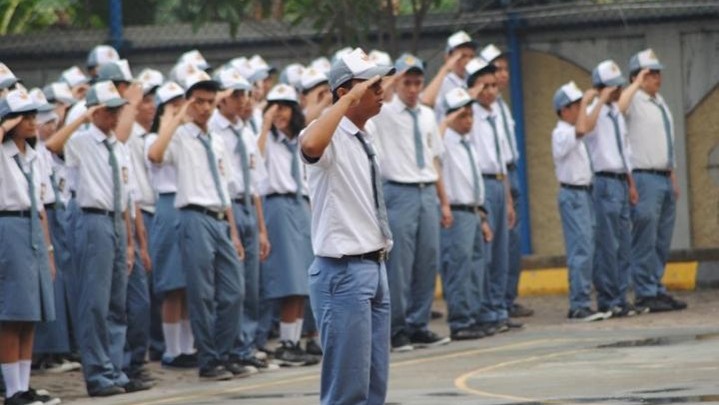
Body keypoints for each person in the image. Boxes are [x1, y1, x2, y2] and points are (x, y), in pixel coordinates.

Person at [300, 46, 394, 405]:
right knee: (346, 389)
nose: (380, 90)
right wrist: (342, 101)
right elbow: (309, 145)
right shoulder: (326, 134)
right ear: (345, 92)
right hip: (343, 273)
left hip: (373, 266)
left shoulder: (362, 136)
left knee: (373, 386)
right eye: (370, 85)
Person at [147, 68, 248, 381]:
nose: (205, 107)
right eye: (199, 101)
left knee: (234, 291)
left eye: (209, 101)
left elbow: (225, 187)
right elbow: (155, 154)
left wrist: (233, 231)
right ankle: (209, 359)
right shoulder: (179, 136)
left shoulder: (215, 139)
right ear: (188, 102)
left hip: (219, 218)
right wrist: (177, 117)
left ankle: (226, 351)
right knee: (201, 293)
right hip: (193, 216)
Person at [64, 81, 152, 396]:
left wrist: (130, 242)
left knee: (118, 302)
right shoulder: (81, 141)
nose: (115, 117)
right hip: (92, 221)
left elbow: (127, 199)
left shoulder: (120, 146)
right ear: (95, 111)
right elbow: (51, 147)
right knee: (95, 303)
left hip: (116, 223)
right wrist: (83, 116)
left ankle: (114, 367)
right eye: (109, 111)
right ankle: (98, 372)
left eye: (118, 110)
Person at [372, 53, 451, 351]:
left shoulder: (428, 115)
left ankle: (419, 323)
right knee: (400, 265)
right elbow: (384, 91)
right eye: (408, 82)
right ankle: (396, 328)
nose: (413, 88)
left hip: (426, 190)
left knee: (427, 260)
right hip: (400, 192)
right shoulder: (386, 113)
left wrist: (444, 202)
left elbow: (434, 159)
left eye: (418, 82)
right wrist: (393, 74)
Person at [208, 67, 276, 372]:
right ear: (221, 99)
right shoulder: (213, 127)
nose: (243, 101)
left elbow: (257, 183)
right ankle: (230, 346)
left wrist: (262, 229)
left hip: (249, 206)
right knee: (232, 286)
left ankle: (245, 344)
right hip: (229, 207)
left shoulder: (246, 131)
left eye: (246, 94)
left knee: (251, 284)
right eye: (235, 95)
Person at [0, 88, 61, 405]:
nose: (32, 121)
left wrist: (49, 251)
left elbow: (41, 206)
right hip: (8, 225)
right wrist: (5, 124)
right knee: (12, 313)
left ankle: (24, 385)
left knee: (30, 312)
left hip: (33, 229)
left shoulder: (35, 155)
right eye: (24, 116)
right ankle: (12, 391)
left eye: (33, 115)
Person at [618, 49, 687, 313]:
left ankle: (655, 286)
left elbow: (666, 141)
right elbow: (619, 107)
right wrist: (635, 83)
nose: (657, 77)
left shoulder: (659, 101)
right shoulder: (634, 99)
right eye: (651, 73)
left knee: (661, 238)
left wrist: (673, 175)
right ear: (638, 76)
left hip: (663, 176)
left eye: (658, 72)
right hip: (644, 176)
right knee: (644, 237)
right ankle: (645, 291)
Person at [256, 83, 318, 367]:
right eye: (274, 106)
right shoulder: (267, 139)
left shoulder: (298, 141)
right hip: (278, 205)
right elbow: (254, 162)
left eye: (284, 106)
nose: (279, 113)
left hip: (300, 205)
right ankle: (286, 341)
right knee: (288, 278)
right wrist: (265, 122)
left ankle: (295, 339)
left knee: (304, 278)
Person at [144, 81, 199, 369]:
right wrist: (171, 119)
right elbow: (156, 153)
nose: (181, 109)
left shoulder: (190, 137)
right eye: (173, 104)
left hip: (190, 204)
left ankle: (188, 346)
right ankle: (172, 349)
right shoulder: (153, 138)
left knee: (190, 283)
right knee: (172, 282)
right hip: (167, 204)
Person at [480, 43, 533, 319]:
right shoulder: (477, 108)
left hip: (508, 172)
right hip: (489, 178)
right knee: (493, 244)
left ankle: (505, 300)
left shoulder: (500, 104)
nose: (503, 74)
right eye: (496, 69)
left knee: (510, 244)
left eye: (504, 68)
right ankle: (492, 304)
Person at [466, 57, 519, 333]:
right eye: (482, 86)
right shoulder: (468, 115)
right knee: (485, 253)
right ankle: (485, 308)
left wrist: (509, 199)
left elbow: (502, 160)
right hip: (482, 184)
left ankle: (499, 308)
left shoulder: (496, 114)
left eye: (492, 85)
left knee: (501, 252)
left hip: (500, 182)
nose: (489, 91)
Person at [552, 81, 612, 322]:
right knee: (581, 250)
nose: (580, 110)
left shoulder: (576, 129)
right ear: (563, 110)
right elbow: (581, 130)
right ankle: (579, 303)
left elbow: (586, 126)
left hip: (585, 193)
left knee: (590, 248)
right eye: (576, 106)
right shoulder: (561, 133)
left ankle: (585, 300)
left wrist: (594, 103)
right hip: (573, 194)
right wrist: (589, 101)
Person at [437, 87, 493, 340]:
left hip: (472, 211)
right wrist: (446, 122)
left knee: (475, 269)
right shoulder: (445, 141)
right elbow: (431, 146)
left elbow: (474, 183)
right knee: (459, 268)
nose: (468, 120)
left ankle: (472, 315)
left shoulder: (468, 143)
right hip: (457, 213)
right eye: (462, 115)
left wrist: (482, 216)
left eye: (470, 114)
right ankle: (460, 321)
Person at [583, 60, 637, 318]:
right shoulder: (596, 111)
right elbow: (585, 128)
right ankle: (607, 297)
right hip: (603, 181)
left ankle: (621, 295)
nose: (617, 92)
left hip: (621, 180)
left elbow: (624, 149)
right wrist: (599, 100)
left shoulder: (616, 112)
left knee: (624, 243)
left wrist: (631, 182)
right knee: (608, 244)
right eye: (612, 87)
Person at [433, 30, 477, 120]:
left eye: (471, 56)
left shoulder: (473, 82)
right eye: (462, 56)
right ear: (448, 57)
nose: (468, 61)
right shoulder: (442, 84)